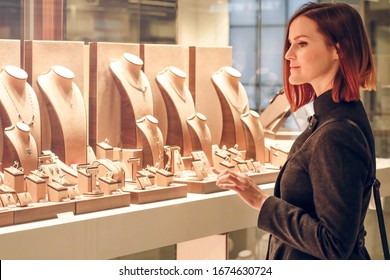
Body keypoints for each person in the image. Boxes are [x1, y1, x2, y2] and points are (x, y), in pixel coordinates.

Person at [213, 2, 376, 260]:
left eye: (301, 44)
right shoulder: (332, 118)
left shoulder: (336, 134)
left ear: (338, 49)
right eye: (290, 44)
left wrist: (261, 202)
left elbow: (334, 245)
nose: (288, 55)